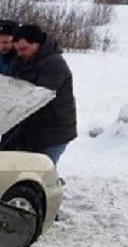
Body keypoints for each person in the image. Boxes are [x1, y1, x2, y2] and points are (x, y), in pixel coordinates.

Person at [9, 23, 77, 165]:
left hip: (54, 131)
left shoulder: (54, 64)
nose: (20, 53)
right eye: (17, 50)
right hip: (31, 128)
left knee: (43, 173)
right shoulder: (20, 60)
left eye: (23, 49)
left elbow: (39, 97)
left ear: (36, 44)